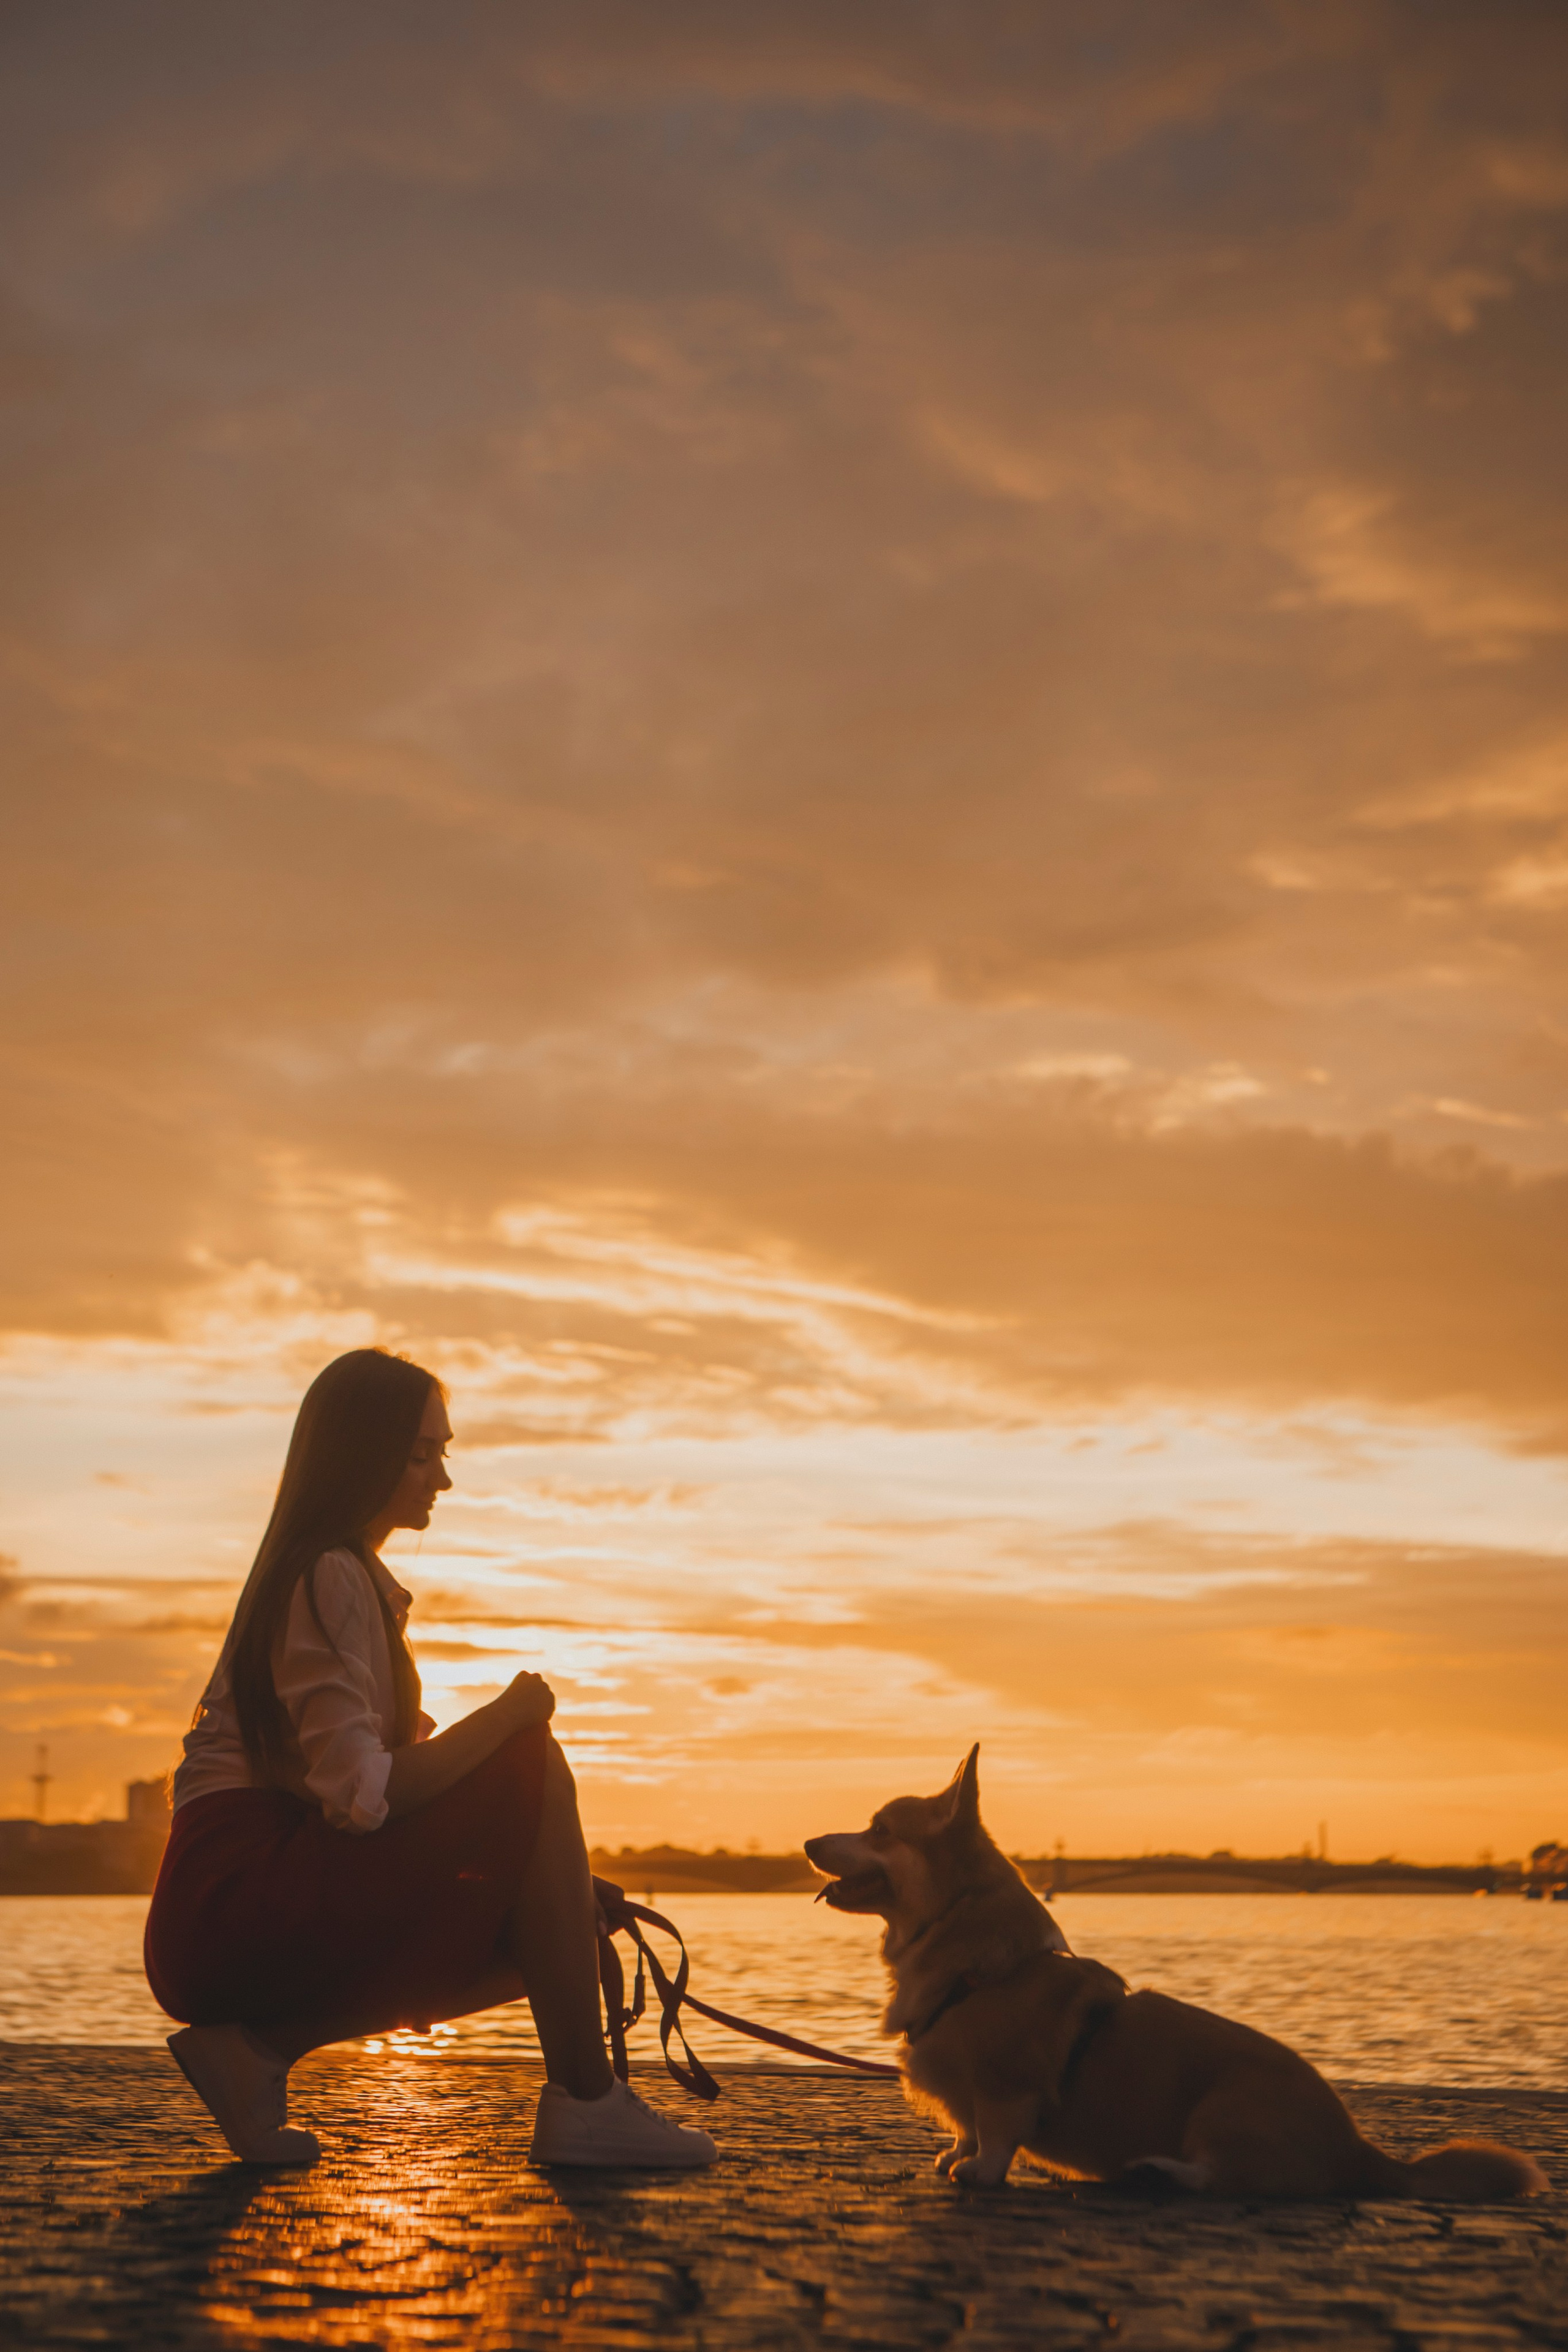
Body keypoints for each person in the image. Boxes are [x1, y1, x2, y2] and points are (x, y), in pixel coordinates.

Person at [143, 1346, 717, 2170]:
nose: (441, 1480)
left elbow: (394, 1801)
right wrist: (509, 1716)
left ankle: (262, 2049)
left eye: (440, 1454)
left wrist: (556, 1879)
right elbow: (366, 1798)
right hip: (232, 1898)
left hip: (237, 1912)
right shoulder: (327, 1578)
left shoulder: (345, 1583)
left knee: (563, 1938)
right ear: (363, 1453)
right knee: (533, 1759)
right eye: (423, 1454)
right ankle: (588, 2107)